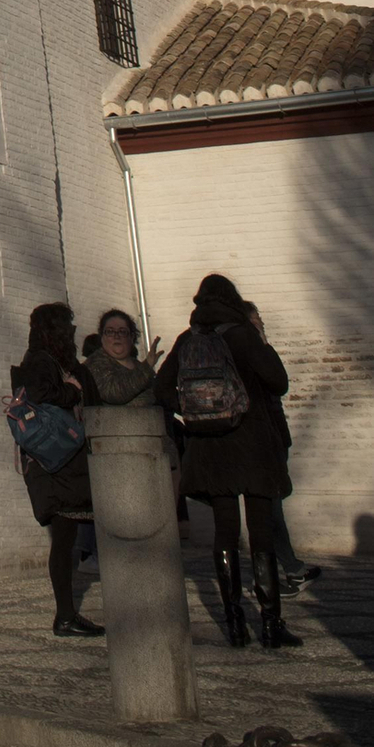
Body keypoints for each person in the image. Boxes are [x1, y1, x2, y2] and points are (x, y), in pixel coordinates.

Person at [155, 273, 298, 650]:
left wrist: (190, 412)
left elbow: (162, 388)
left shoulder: (188, 340)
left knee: (225, 533)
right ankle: (270, 624)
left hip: (211, 448)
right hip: (252, 445)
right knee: (262, 535)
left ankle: (235, 625)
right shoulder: (243, 335)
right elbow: (279, 382)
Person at [11, 302, 103, 638]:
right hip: (56, 464)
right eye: (68, 325)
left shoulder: (55, 361)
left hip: (63, 462)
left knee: (69, 537)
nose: (74, 331)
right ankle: (65, 615)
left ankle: (67, 614)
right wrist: (73, 390)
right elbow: (43, 394)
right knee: (64, 538)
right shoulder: (40, 361)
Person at [244, 304, 320, 598]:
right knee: (268, 509)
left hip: (273, 440)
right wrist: (262, 344)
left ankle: (285, 570)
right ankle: (284, 573)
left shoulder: (255, 351)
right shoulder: (252, 353)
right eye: (255, 319)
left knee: (270, 509)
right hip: (263, 442)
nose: (261, 322)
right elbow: (277, 383)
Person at [84, 308, 160, 406]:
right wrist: (147, 367)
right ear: (102, 337)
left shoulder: (139, 366)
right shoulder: (94, 364)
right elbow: (114, 393)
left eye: (122, 332)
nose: (116, 336)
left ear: (132, 337)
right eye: (110, 332)